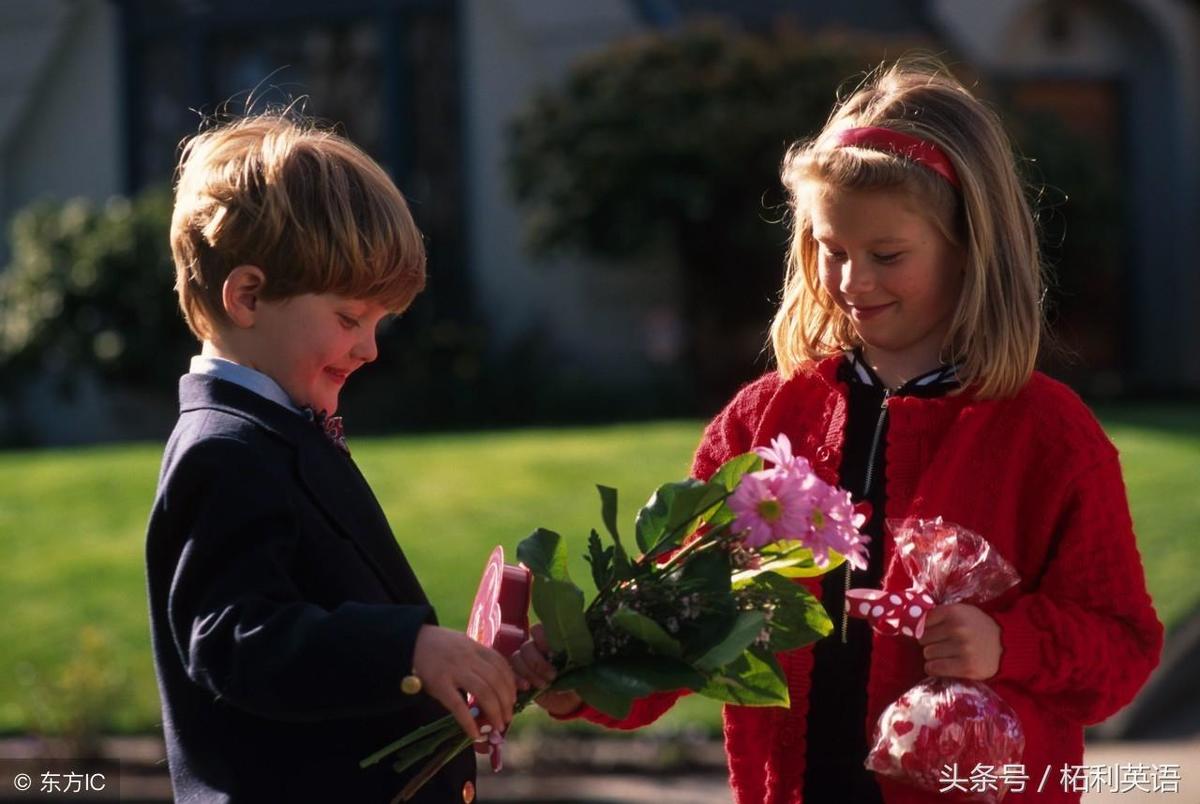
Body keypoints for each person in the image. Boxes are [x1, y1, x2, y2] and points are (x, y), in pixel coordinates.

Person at [512, 59, 1164, 803]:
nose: (853, 281)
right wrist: (586, 676)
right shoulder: (760, 421)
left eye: (887, 256)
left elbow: (1122, 648)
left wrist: (1007, 644)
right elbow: (683, 619)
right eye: (832, 250)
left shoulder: (1049, 435)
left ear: (969, 246)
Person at [145, 113, 516, 803]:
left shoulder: (280, 431)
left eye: (378, 324)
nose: (369, 349)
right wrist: (405, 649)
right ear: (248, 296)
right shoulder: (223, 451)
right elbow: (235, 638)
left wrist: (457, 660)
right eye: (350, 319)